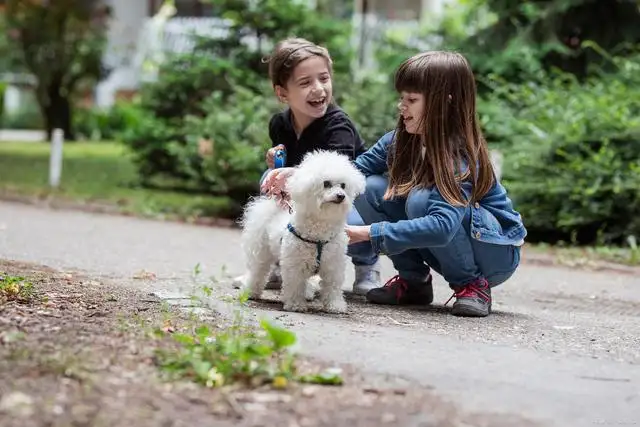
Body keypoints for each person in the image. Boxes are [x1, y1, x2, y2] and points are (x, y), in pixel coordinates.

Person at [263, 51, 526, 317]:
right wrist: (297, 174)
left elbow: (442, 226)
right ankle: (414, 281)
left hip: (494, 250)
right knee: (370, 188)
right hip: (456, 239)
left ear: (444, 104)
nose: (402, 106)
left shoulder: (459, 155)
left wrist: (366, 233)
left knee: (421, 200)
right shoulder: (400, 140)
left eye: (411, 100)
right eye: (402, 98)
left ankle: (471, 285)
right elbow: (354, 172)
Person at [255, 37, 382, 295]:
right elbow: (290, 172)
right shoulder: (280, 124)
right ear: (282, 93)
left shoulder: (338, 127)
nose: (318, 89)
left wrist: (294, 173)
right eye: (305, 83)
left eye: (324, 79)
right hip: (311, 197)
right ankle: (287, 260)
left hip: (349, 197)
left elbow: (340, 178)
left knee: (344, 217)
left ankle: (367, 265)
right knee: (268, 179)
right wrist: (277, 165)